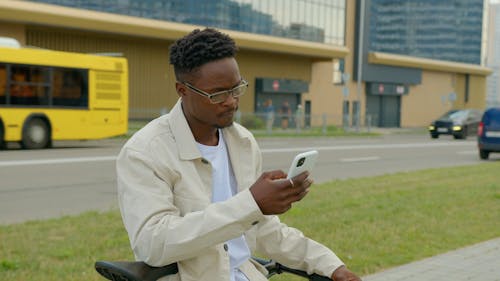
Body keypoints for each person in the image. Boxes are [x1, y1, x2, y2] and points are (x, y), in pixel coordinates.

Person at [117, 28, 361, 281]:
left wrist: (332, 267)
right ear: (182, 90)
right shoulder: (144, 152)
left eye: (236, 89)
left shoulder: (242, 141)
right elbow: (153, 245)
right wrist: (252, 203)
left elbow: (266, 230)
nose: (232, 102)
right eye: (218, 94)